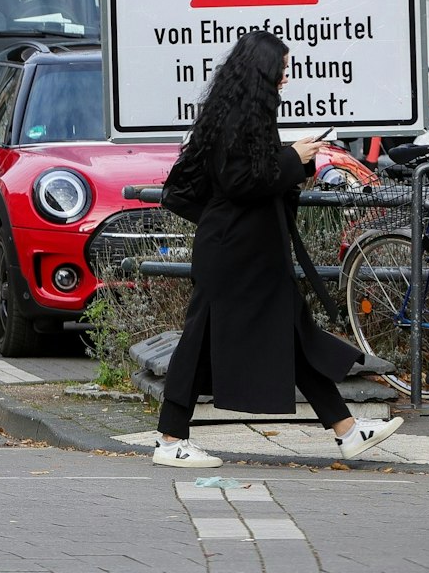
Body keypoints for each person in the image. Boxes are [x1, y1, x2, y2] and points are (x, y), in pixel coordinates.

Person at [153, 30, 403, 467]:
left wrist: (295, 159)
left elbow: (255, 178)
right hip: (235, 254)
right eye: (283, 69)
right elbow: (241, 182)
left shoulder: (239, 112)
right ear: (264, 71)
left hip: (250, 253)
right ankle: (171, 439)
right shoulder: (239, 118)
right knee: (200, 341)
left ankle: (346, 430)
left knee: (292, 333)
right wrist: (293, 156)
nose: (287, 78)